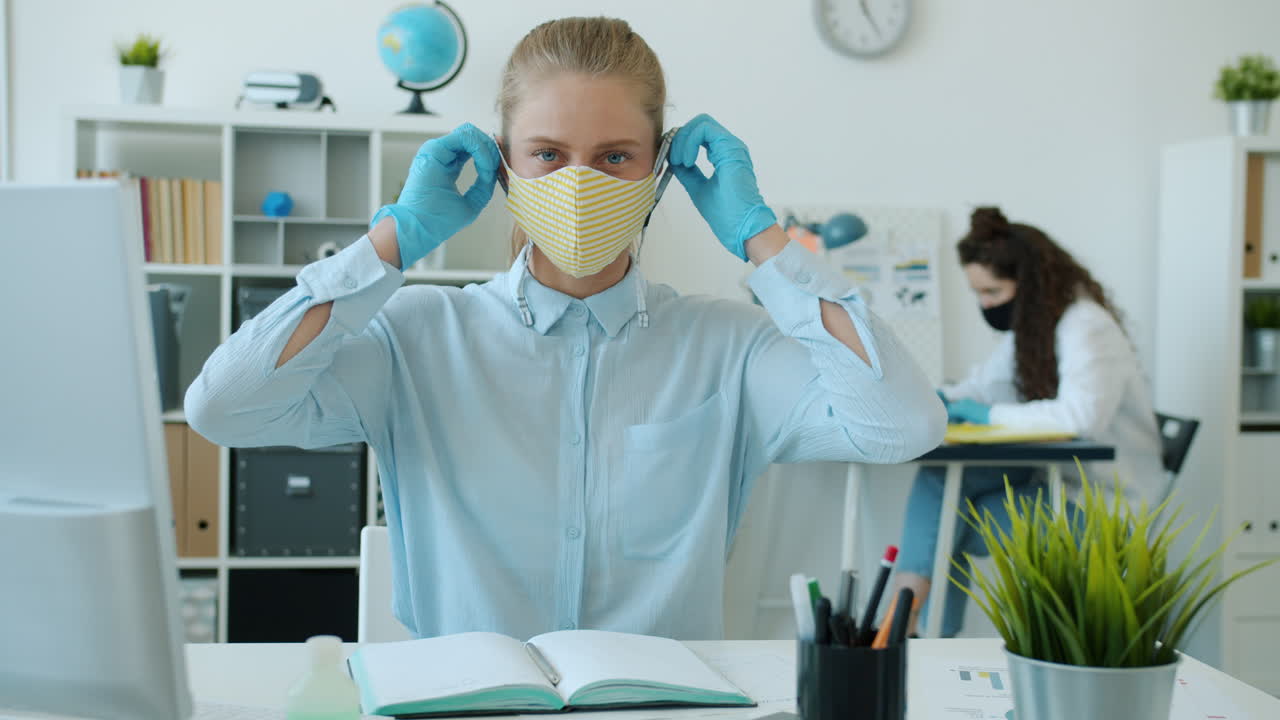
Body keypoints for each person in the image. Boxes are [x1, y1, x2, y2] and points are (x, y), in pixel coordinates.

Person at [186, 16, 944, 641]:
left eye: (615, 157)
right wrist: (392, 243)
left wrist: (762, 240)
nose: (579, 185)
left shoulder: (729, 347)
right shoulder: (417, 335)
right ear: (504, 170)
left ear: (659, 173)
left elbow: (901, 427)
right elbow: (224, 406)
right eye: (548, 155)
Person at [892, 206, 1163, 637]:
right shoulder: (1034, 325)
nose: (986, 305)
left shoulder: (1087, 326)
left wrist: (987, 416)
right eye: (978, 294)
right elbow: (985, 385)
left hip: (1103, 506)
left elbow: (1081, 417)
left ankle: (909, 632)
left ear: (1031, 285)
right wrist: (931, 401)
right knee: (942, 485)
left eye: (994, 293)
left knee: (947, 515)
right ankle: (911, 630)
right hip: (1057, 484)